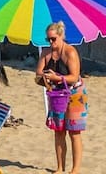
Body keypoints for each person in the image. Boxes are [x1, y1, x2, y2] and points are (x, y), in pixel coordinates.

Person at [38, 22, 86, 174]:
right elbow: (38, 74)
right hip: (57, 94)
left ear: (61, 36)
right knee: (58, 131)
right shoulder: (46, 53)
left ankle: (75, 169)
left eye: (53, 39)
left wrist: (56, 77)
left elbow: (74, 76)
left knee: (74, 131)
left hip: (75, 94)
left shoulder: (70, 52)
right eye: (48, 39)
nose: (51, 42)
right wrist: (44, 79)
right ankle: (60, 167)